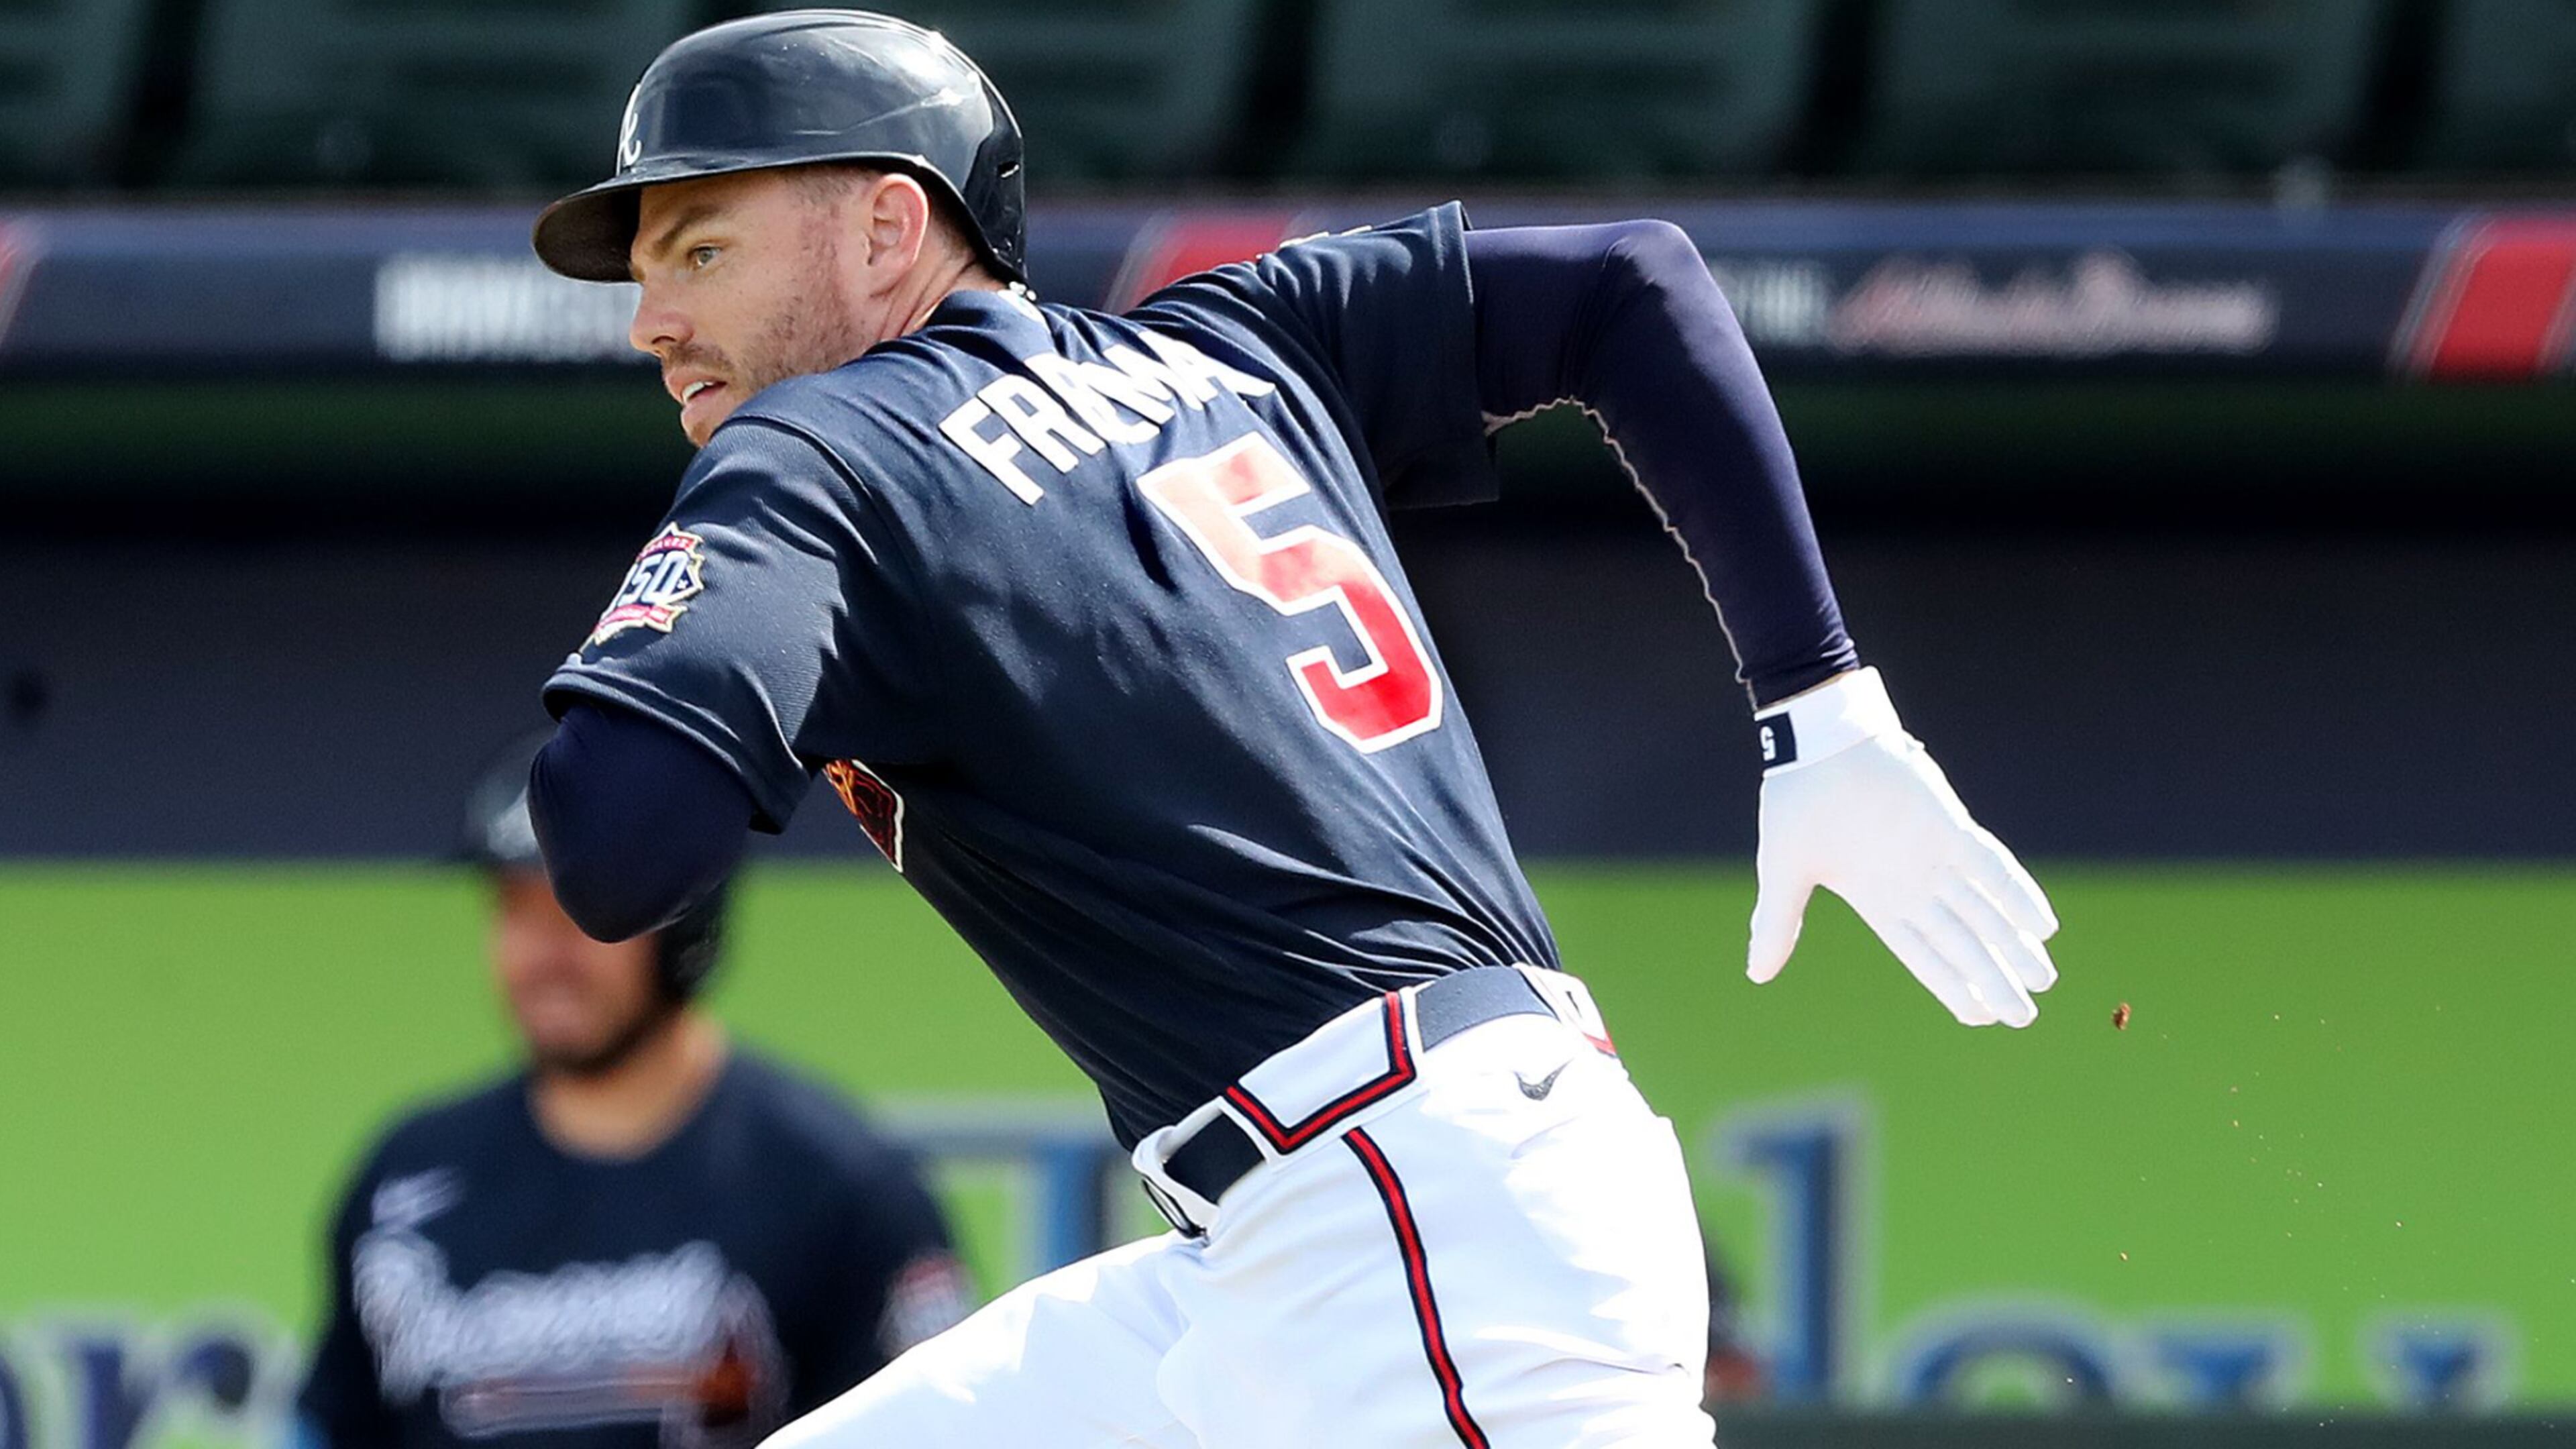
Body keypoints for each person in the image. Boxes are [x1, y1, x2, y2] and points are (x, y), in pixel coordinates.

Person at [518, 11, 2061, 1446]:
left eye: (699, 247)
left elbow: (616, 847)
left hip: (1411, 1226)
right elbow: (1630, 286)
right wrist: (1823, 701)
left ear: (886, 225)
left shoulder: (828, 439)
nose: (652, 319)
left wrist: (693, 605)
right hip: (1320, 1234)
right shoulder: (1224, 348)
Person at [293, 734, 970, 1449]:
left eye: (584, 911)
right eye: (516, 910)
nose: (544, 955)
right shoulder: (406, 1177)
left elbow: (945, 1427)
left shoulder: (836, 1180)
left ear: (688, 917)